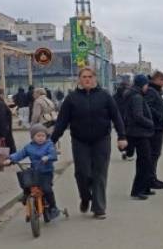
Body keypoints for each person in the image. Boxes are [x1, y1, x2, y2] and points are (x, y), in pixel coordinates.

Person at [51, 67, 127, 219]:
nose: (87, 79)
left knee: (99, 173)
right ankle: (85, 197)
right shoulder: (71, 99)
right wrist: (52, 140)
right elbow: (62, 122)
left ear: (95, 79)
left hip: (101, 139)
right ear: (79, 79)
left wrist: (122, 136)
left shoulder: (105, 96)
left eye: (90, 76)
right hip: (80, 141)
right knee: (82, 173)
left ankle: (99, 208)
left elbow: (116, 117)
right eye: (84, 77)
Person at [5, 124, 61, 222]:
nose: (41, 138)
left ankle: (53, 208)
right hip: (35, 171)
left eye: (43, 136)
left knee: (47, 189)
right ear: (33, 137)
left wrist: (47, 157)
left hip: (46, 172)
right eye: (38, 136)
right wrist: (10, 159)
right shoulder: (29, 147)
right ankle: (27, 199)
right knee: (26, 181)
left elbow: (53, 153)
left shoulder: (49, 144)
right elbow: (20, 154)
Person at [122, 74, 154, 200]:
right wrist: (150, 123)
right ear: (142, 85)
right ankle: (138, 190)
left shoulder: (133, 95)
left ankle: (144, 187)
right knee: (144, 161)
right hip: (139, 133)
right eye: (146, 84)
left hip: (135, 132)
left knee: (145, 161)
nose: (147, 87)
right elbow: (138, 116)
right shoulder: (137, 97)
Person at [144, 71, 163, 188]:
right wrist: (159, 116)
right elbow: (147, 106)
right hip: (155, 127)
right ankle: (150, 179)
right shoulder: (151, 91)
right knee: (153, 154)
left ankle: (153, 177)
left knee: (155, 154)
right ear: (157, 80)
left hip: (158, 127)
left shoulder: (155, 91)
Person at [113, 79, 135, 160]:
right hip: (129, 119)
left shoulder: (114, 96)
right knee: (130, 136)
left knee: (121, 135)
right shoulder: (130, 95)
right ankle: (129, 153)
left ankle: (123, 151)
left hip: (118, 119)